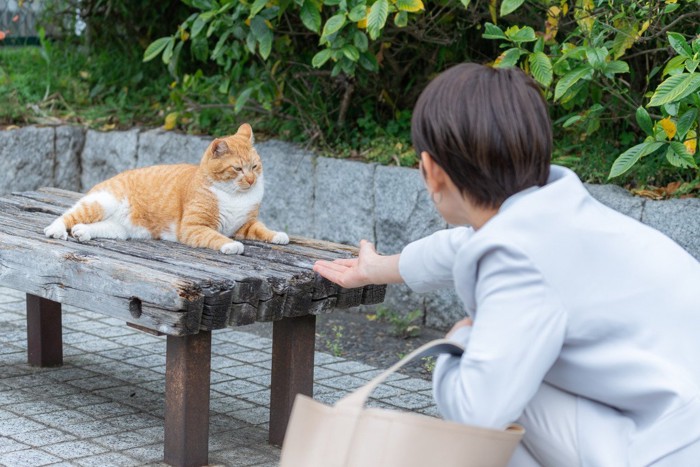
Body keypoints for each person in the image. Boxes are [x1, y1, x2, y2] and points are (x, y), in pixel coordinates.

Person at [312, 63, 700, 466]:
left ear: (431, 171)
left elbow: (476, 411)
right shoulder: (554, 214)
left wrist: (459, 343)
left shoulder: (517, 257)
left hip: (667, 449)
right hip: (678, 426)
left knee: (500, 395)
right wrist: (374, 268)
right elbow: (459, 246)